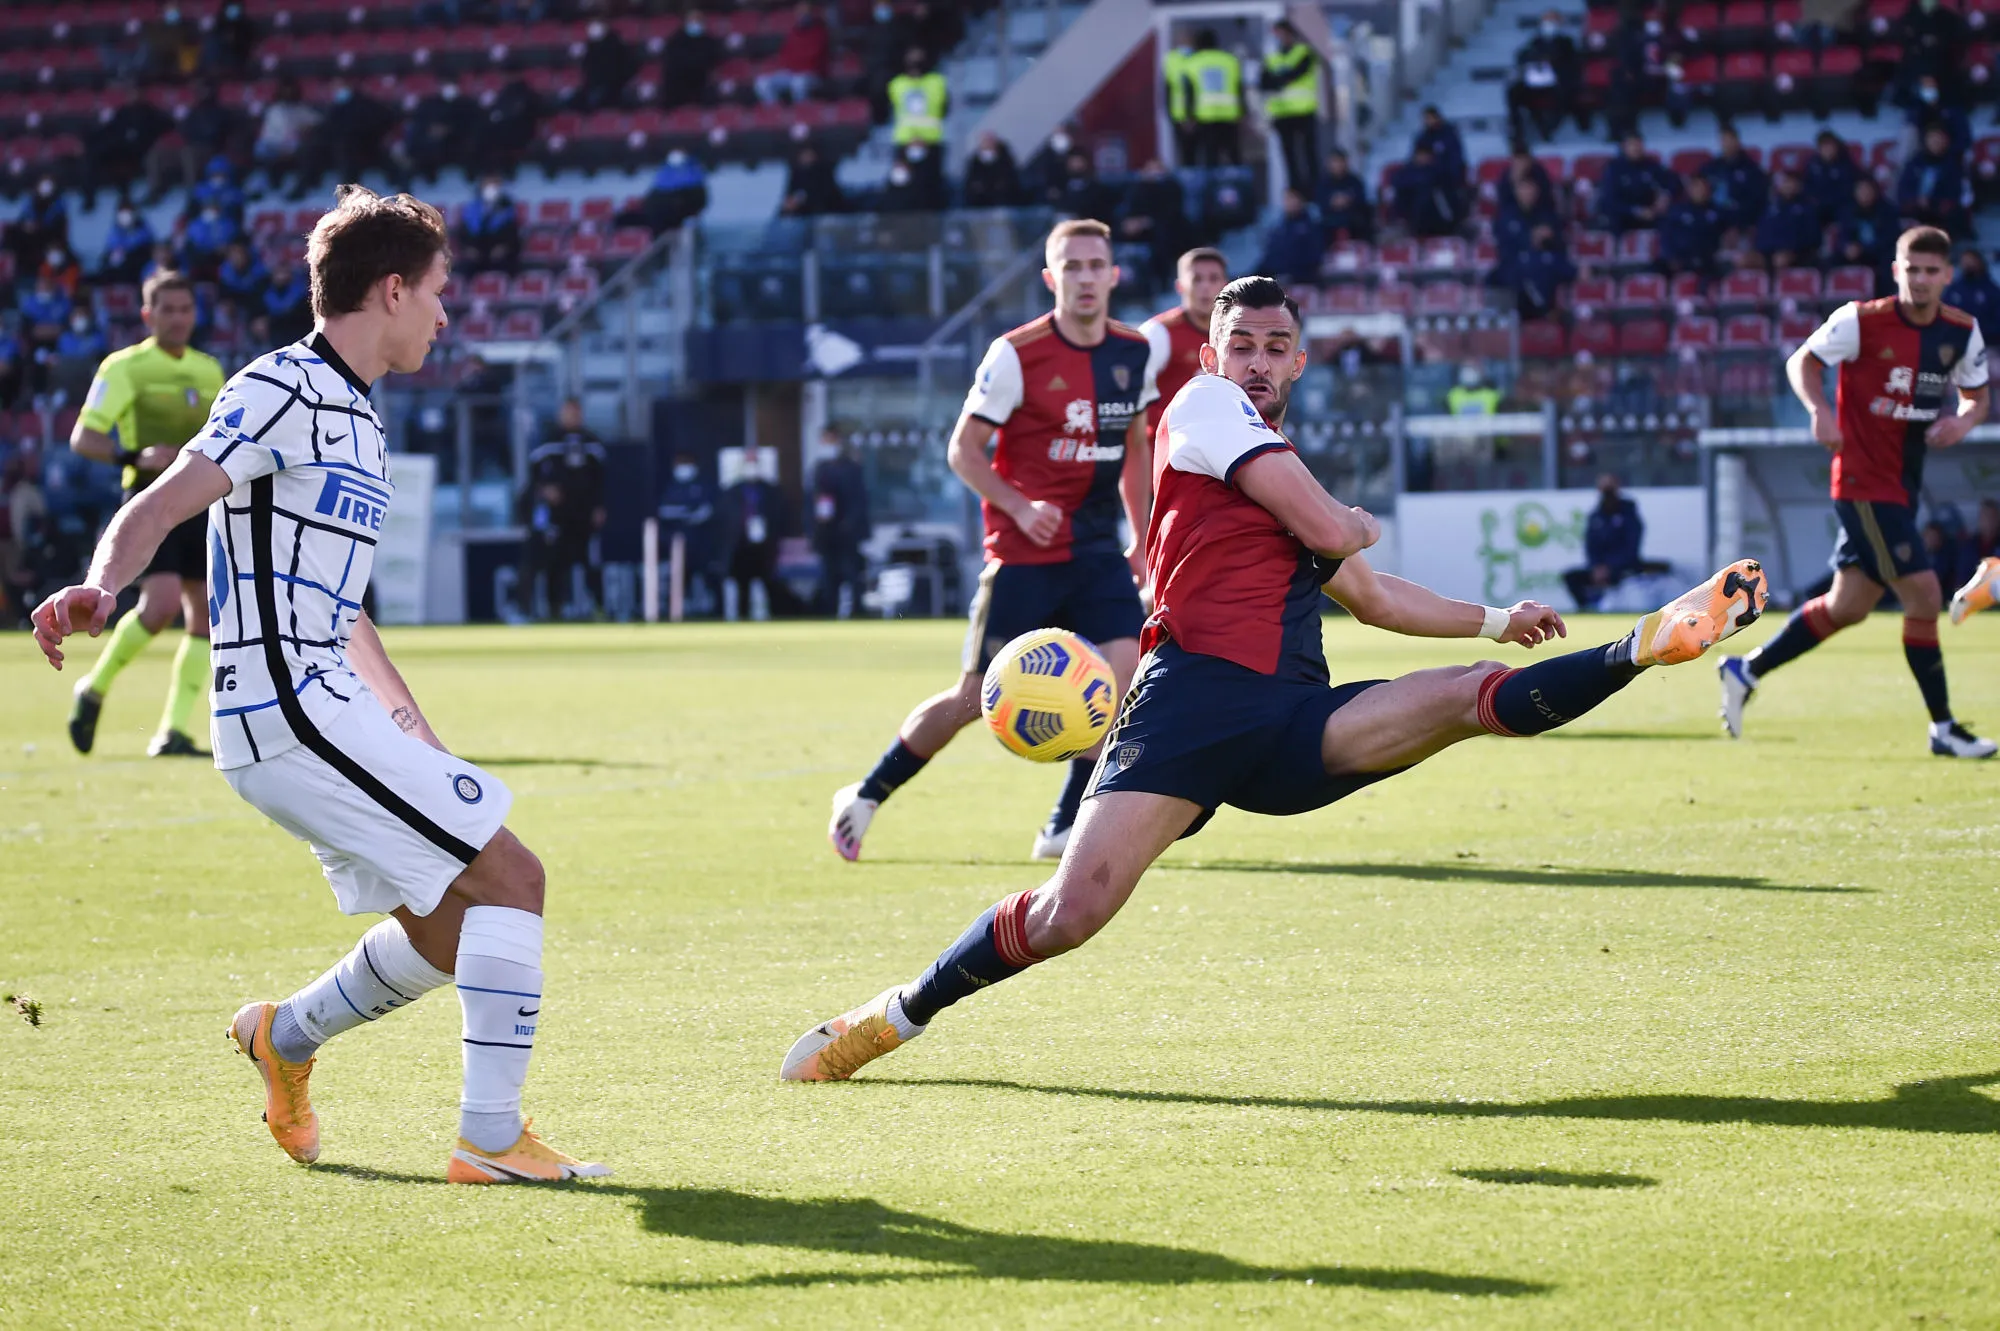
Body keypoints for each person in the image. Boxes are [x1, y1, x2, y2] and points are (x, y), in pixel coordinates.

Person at [780, 274, 1770, 1084]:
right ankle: (891, 1015)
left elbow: (1371, 597)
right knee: (1064, 914)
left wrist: (1494, 618)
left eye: (1274, 345)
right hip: (1184, 710)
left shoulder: (1276, 465)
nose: (1254, 360)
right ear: (1212, 355)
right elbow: (1342, 535)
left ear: (1299, 360)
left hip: (1292, 721)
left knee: (1468, 693)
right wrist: (1348, 519)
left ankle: (1641, 646)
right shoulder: (1201, 408)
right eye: (1239, 342)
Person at [30, 185, 609, 1185]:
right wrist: (100, 583)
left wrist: (412, 726)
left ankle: (284, 1036)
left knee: (452, 920)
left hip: (322, 704)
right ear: (389, 290)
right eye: (436, 292)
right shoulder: (281, 387)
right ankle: (488, 1137)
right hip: (283, 708)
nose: (444, 312)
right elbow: (165, 502)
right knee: (516, 876)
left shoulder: (360, 420)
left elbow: (345, 607)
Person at [827, 219, 1165, 864]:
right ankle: (865, 795)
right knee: (973, 698)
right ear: (1050, 278)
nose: (1086, 278)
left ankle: (1063, 825)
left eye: (1097, 265)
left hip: (1095, 551)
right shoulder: (1016, 354)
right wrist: (1017, 504)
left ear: (1115, 275)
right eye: (1072, 266)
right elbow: (963, 450)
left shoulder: (1133, 354)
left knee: (1115, 682)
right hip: (1024, 556)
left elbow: (1135, 451)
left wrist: (1143, 538)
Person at [1720, 226, 1995, 757]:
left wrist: (1963, 423)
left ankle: (1745, 670)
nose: (1920, 279)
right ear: (1896, 270)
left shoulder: (1962, 332)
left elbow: (1976, 398)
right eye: (1910, 269)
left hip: (1901, 483)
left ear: (1948, 276)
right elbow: (1802, 361)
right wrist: (1820, 410)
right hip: (1862, 483)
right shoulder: (1861, 320)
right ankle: (1944, 729)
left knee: (1849, 606)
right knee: (1926, 595)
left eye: (1931, 271)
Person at [61, 270, 225, 760]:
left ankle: (172, 732)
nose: (178, 319)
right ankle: (93, 687)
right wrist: (132, 457)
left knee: (206, 619)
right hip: (149, 499)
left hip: (201, 502)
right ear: (147, 315)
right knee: (161, 605)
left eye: (185, 309)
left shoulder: (210, 370)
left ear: (195, 315)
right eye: (167, 310)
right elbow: (84, 439)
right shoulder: (124, 368)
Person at [524, 399, 607, 619]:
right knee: (553, 562)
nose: (572, 417)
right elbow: (533, 478)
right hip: (556, 514)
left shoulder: (592, 443)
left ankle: (599, 607)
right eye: (568, 413)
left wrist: (599, 506)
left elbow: (602, 479)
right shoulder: (548, 442)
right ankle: (554, 609)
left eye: (576, 413)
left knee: (591, 562)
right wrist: (545, 490)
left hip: (584, 512)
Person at [1141, 247, 1229, 415]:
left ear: (1226, 286)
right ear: (1180, 286)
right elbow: (1130, 393)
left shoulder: (1236, 336)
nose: (1205, 287)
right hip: (1165, 439)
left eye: (1213, 279)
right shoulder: (1159, 333)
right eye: (1197, 279)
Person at [719, 441, 786, 620]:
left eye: (754, 460)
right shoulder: (731, 492)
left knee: (771, 585)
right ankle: (743, 620)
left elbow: (781, 517)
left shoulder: (772, 491)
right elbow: (724, 521)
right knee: (743, 588)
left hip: (765, 547)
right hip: (741, 546)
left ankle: (776, 619)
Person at [812, 429, 871, 618]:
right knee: (829, 578)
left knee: (852, 574)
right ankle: (829, 612)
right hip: (826, 534)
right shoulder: (819, 470)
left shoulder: (852, 469)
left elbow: (859, 501)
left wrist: (849, 524)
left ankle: (857, 613)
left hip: (848, 533)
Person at [1563, 475, 1645, 609]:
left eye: (1610, 489)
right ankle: (1587, 608)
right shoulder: (1596, 516)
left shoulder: (1629, 514)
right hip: (1599, 568)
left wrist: (1609, 567)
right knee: (1571, 577)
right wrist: (1595, 567)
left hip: (1623, 566)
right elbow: (1591, 546)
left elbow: (1631, 548)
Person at [1260, 19, 1322, 196]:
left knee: (1309, 155)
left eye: (1281, 33)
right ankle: (1296, 194)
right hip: (1282, 114)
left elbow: (1296, 73)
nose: (1279, 37)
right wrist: (1281, 79)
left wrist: (1278, 79)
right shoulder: (1272, 57)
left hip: (1303, 111)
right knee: (1289, 158)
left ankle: (1314, 192)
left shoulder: (1304, 52)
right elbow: (1264, 82)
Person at [1507, 10, 1583, 142]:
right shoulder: (1535, 41)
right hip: (1534, 81)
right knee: (1513, 91)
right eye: (1546, 21)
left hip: (1557, 82)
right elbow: (1522, 57)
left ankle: (1547, 129)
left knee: (1563, 95)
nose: (1549, 24)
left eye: (1553, 21)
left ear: (1560, 23)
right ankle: (1516, 129)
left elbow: (1573, 64)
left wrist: (1553, 63)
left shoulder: (1567, 42)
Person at [1898, 123, 1970, 238]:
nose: (1935, 142)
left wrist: (1931, 203)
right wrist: (1916, 200)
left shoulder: (1954, 166)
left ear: (1946, 141)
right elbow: (1903, 189)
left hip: (1941, 215)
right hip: (1915, 210)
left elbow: (1955, 194)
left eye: (1939, 139)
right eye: (1932, 138)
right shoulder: (1914, 163)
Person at [254, 77, 321, 199]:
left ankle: (300, 188)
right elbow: (266, 138)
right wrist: (280, 149)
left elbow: (317, 122)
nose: (288, 93)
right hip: (274, 148)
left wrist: (306, 130)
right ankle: (265, 188)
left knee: (308, 150)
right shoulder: (273, 110)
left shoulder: (301, 109)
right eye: (285, 91)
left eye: (290, 90)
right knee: (261, 150)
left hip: (295, 149)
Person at [1184, 29, 1243, 167]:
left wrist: (1189, 116)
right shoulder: (1230, 60)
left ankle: (1212, 186)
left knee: (1210, 155)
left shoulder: (1193, 62)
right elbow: (1239, 87)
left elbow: (1189, 92)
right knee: (1234, 154)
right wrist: (1242, 112)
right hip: (1229, 115)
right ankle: (1240, 184)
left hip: (1206, 116)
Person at [1598, 134, 1677, 233]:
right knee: (1613, 218)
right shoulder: (1614, 169)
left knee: (1673, 217)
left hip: (1651, 211)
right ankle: (1617, 247)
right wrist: (1636, 211)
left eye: (1638, 144)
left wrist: (1665, 196)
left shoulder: (1652, 165)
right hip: (1625, 213)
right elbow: (1609, 201)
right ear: (1624, 147)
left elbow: (1674, 182)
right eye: (1632, 145)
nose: (1636, 148)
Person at [1699, 126, 1768, 236]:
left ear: (1737, 141)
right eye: (1723, 140)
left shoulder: (1751, 169)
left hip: (1743, 224)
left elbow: (1757, 201)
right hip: (1714, 223)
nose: (1726, 144)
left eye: (1729, 140)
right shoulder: (1711, 168)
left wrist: (1739, 224)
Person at [757, 3, 829, 106]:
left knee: (799, 83)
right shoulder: (793, 32)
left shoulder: (819, 32)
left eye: (805, 13)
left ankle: (802, 114)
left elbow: (813, 58)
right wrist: (791, 66)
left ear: (811, 14)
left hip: (812, 74)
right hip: (791, 72)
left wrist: (795, 63)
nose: (802, 16)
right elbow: (785, 55)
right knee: (762, 83)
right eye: (800, 13)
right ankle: (775, 113)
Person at [1254, 187, 1325, 286]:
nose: (1288, 202)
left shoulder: (1310, 227)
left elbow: (1313, 258)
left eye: (1292, 198)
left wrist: (1288, 273)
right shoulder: (1279, 226)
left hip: (1299, 279)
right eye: (1286, 199)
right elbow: (1270, 255)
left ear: (1301, 201)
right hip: (1274, 275)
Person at [1661, 173, 1724, 279]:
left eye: (1703, 187)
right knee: (1654, 271)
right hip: (1678, 257)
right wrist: (1670, 257)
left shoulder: (1717, 212)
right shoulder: (1677, 210)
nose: (1700, 191)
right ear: (1690, 189)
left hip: (1705, 259)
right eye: (1696, 187)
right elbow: (1666, 235)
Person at [1753, 172, 1820, 270]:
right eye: (1785, 182)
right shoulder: (1770, 208)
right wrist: (1773, 252)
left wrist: (1789, 252)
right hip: (1771, 253)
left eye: (1792, 182)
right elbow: (1762, 234)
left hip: (1798, 254)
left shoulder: (1808, 208)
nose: (1788, 186)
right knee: (1748, 261)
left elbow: (1812, 237)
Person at [458, 176, 522, 276]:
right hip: (476, 251)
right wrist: (468, 248)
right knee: (463, 269)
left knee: (507, 266)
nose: (491, 188)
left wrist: (504, 247)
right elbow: (463, 231)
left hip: (500, 252)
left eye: (495, 185)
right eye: (487, 185)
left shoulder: (507, 208)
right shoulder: (472, 208)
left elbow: (512, 233)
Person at [887, 48, 948, 149]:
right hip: (904, 140)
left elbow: (945, 108)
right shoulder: (896, 84)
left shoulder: (937, 82)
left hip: (932, 139)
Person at [661, 9, 721, 109]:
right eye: (691, 20)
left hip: (702, 80)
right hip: (679, 80)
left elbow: (712, 60)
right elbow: (672, 60)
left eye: (697, 20)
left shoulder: (709, 40)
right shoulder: (676, 39)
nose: (694, 23)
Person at [577, 18, 636, 113]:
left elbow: (627, 64)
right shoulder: (590, 47)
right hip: (596, 85)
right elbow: (587, 67)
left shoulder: (616, 45)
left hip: (616, 85)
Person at [1804, 130, 1860, 228]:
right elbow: (1807, 186)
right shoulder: (1812, 164)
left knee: (1848, 212)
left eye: (1830, 146)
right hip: (1819, 205)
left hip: (1841, 204)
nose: (1827, 150)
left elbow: (1848, 189)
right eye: (1824, 146)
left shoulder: (1846, 164)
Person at [1944, 248, 2000, 345]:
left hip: (1986, 344)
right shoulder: (1954, 289)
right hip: (1955, 344)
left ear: (1980, 262)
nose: (1967, 264)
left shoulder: (1992, 290)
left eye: (1971, 261)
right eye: (1965, 261)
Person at [1315, 149, 1373, 242]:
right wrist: (1333, 202)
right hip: (1331, 218)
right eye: (1335, 162)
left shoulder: (1355, 181)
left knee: (1363, 221)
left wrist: (1348, 200)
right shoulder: (1323, 183)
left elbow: (1362, 199)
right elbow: (1320, 202)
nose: (1338, 165)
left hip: (1352, 216)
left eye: (1340, 161)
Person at [779, 142, 845, 217]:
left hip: (824, 212)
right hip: (803, 215)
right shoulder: (796, 174)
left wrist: (803, 199)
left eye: (809, 155)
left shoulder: (823, 172)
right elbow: (791, 193)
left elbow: (824, 194)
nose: (806, 158)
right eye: (804, 155)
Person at [963, 132, 1023, 209]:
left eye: (990, 141)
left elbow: (1010, 179)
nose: (988, 144)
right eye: (985, 141)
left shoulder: (1005, 159)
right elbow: (970, 180)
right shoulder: (974, 162)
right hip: (979, 201)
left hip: (1002, 199)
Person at [102, 203, 157, 284]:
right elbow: (111, 248)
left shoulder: (143, 229)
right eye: (122, 212)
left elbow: (146, 247)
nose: (125, 216)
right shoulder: (115, 230)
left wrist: (127, 253)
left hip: (137, 266)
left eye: (128, 212)